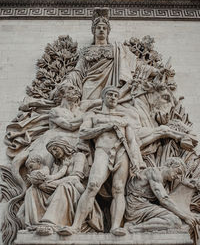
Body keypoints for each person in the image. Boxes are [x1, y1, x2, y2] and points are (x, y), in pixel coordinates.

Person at [57, 85, 145, 236]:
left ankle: (115, 226)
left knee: (118, 189)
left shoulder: (123, 118)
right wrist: (104, 128)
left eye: (116, 96)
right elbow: (83, 133)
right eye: (110, 94)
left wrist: (137, 161)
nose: (113, 98)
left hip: (121, 152)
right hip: (102, 151)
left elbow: (132, 142)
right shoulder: (93, 115)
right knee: (92, 185)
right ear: (103, 97)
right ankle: (76, 226)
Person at [35, 138, 104, 236]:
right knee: (33, 189)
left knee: (65, 186)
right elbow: (53, 177)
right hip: (61, 187)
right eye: (52, 152)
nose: (54, 153)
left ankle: (50, 223)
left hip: (79, 189)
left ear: (63, 146)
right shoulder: (57, 163)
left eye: (55, 149)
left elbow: (75, 178)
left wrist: (53, 183)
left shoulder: (79, 156)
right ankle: (34, 223)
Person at [125, 157, 199, 232]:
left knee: (175, 221)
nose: (178, 176)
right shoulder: (153, 172)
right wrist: (185, 216)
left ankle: (136, 227)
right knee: (175, 221)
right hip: (136, 207)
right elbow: (164, 200)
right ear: (170, 164)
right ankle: (134, 228)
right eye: (178, 171)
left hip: (145, 207)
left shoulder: (163, 182)